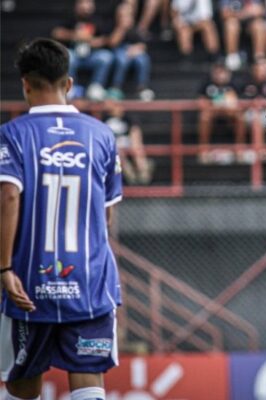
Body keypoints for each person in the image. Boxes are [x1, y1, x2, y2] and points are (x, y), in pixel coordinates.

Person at [0, 38, 122, 400]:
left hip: (29, 282)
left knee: (23, 381)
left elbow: (7, 196)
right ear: (68, 83)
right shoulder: (102, 135)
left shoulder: (12, 135)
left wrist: (4, 268)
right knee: (87, 376)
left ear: (25, 84)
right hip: (89, 280)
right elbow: (108, 214)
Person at [51, 0, 114, 101]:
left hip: (91, 56)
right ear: (77, 5)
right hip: (74, 55)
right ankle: (70, 87)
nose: (85, 6)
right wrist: (75, 35)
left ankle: (95, 87)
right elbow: (56, 33)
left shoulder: (97, 20)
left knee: (106, 56)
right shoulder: (70, 17)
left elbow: (106, 39)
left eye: (88, 3)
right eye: (82, 3)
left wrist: (90, 40)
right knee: (68, 55)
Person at [106, 2, 155, 101]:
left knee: (143, 59)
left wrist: (135, 49)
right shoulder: (113, 25)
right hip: (118, 50)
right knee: (122, 60)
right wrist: (122, 28)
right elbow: (112, 43)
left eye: (129, 13)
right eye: (124, 14)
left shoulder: (136, 28)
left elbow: (143, 44)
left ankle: (142, 88)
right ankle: (116, 87)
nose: (127, 16)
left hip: (134, 51)